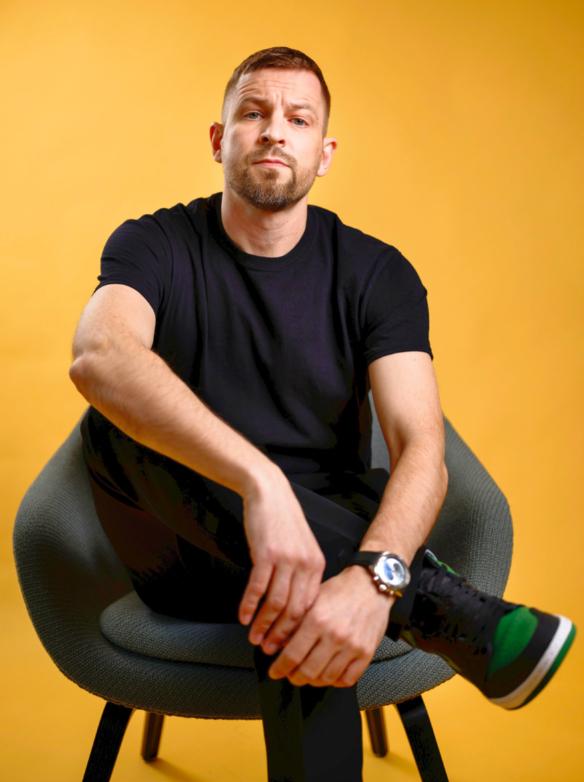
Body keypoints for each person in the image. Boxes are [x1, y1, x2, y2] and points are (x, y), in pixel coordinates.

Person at [69, 46, 576, 782]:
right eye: (253, 112)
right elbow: (99, 356)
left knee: (304, 585)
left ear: (324, 153)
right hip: (180, 547)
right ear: (219, 139)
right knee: (114, 424)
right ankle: (442, 609)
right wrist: (261, 485)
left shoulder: (377, 273)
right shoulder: (153, 243)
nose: (275, 130)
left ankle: (377, 586)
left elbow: (421, 447)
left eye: (298, 119)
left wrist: (368, 581)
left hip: (331, 549)